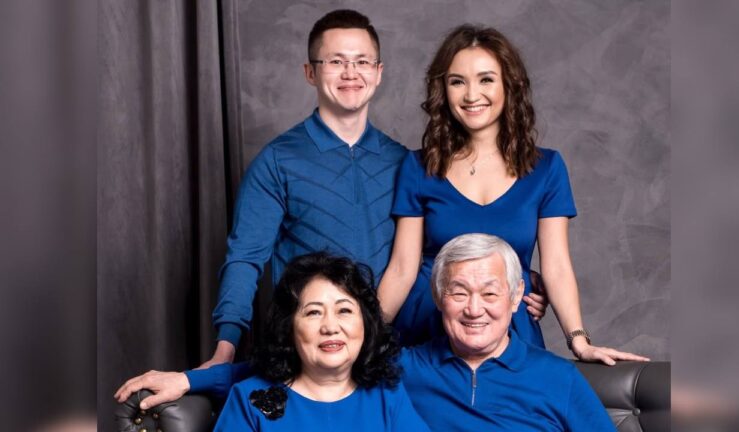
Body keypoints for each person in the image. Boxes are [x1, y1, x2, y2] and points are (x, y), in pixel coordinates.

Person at [202, 10, 549, 368]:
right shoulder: (277, 161)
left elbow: (446, 241)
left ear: (378, 72)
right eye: (336, 61)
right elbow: (244, 258)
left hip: (389, 346)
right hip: (312, 347)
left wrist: (519, 278)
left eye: (362, 62)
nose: (351, 73)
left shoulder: (406, 162)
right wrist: (226, 345)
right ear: (310, 72)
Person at [116, 235, 617, 431]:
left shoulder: (559, 378)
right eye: (458, 292)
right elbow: (301, 364)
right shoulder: (397, 370)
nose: (474, 309)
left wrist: (579, 339)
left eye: (490, 293)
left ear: (515, 298)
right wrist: (188, 380)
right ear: (438, 298)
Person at [376, 24, 648, 364]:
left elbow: (556, 265)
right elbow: (402, 268)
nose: (471, 95)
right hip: (428, 319)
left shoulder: (547, 168)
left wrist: (578, 340)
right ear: (442, 90)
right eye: (457, 81)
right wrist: (365, 341)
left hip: (508, 321)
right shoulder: (418, 167)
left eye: (486, 79)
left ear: (509, 85)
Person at [216, 252, 429, 430]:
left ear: (365, 323)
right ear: (289, 327)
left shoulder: (387, 394)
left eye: (344, 310)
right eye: (314, 312)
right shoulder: (248, 400)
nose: (330, 327)